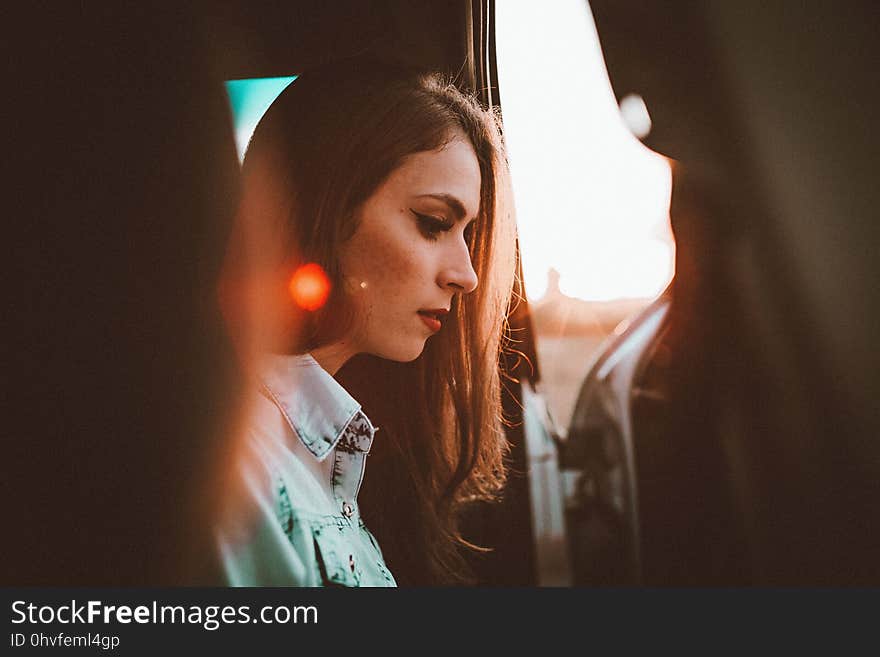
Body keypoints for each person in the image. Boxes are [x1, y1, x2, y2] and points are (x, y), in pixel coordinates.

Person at [216, 59, 518, 586]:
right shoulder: (241, 472)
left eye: (466, 232)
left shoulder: (337, 452)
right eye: (433, 224)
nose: (466, 275)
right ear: (322, 208)